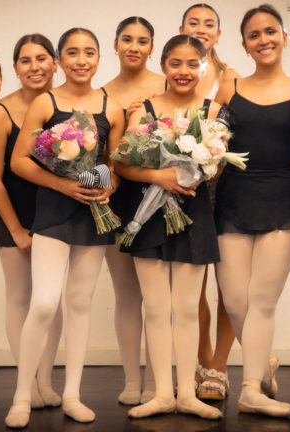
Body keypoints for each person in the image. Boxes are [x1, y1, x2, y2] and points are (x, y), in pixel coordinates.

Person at [5, 27, 124, 428]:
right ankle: (22, 396)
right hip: (53, 213)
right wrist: (63, 184)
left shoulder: (112, 106)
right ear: (59, 59)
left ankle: (72, 394)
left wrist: (108, 186)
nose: (81, 60)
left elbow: (116, 166)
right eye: (72, 53)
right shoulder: (45, 101)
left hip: (94, 216)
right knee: (43, 303)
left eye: (89, 52)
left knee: (79, 304)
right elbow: (19, 161)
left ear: (98, 57)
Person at [116, 34, 222, 421]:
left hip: (194, 214)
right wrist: (159, 176)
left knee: (187, 309)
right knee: (157, 309)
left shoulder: (213, 112)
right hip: (148, 214)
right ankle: (161, 393)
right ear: (164, 66)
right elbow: (122, 164)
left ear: (203, 67)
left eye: (192, 64)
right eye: (176, 63)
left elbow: (217, 164)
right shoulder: (142, 109)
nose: (184, 71)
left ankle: (187, 394)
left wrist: (203, 164)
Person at [213, 4, 290, 417]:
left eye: (271, 31)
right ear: (245, 45)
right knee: (235, 301)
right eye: (254, 34)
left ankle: (251, 389)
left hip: (282, 200)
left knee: (262, 300)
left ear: (285, 37)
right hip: (233, 199)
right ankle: (261, 362)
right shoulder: (230, 86)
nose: (263, 39)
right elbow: (211, 141)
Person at [0, 34, 63, 409]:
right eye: (26, 61)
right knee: (20, 297)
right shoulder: (1, 112)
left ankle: (46, 382)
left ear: (56, 63)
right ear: (15, 68)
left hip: (57, 213)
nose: (35, 67)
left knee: (51, 301)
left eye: (42, 58)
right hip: (13, 213)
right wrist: (15, 229)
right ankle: (25, 382)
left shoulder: (64, 104)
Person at [99, 16, 164, 406]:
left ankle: (158, 380)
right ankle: (130, 380)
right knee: (126, 294)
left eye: (142, 40)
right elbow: (102, 153)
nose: (134, 46)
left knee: (159, 299)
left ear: (153, 47)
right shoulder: (102, 92)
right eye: (127, 39)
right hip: (117, 197)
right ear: (116, 44)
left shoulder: (166, 84)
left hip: (160, 196)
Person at [179, 2, 240, 401]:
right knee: (193, 284)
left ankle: (220, 364)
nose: (202, 29)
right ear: (181, 29)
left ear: (218, 35)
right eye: (193, 23)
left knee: (230, 285)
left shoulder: (229, 77)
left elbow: (234, 134)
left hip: (230, 187)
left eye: (209, 25)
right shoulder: (170, 74)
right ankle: (202, 361)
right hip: (185, 188)